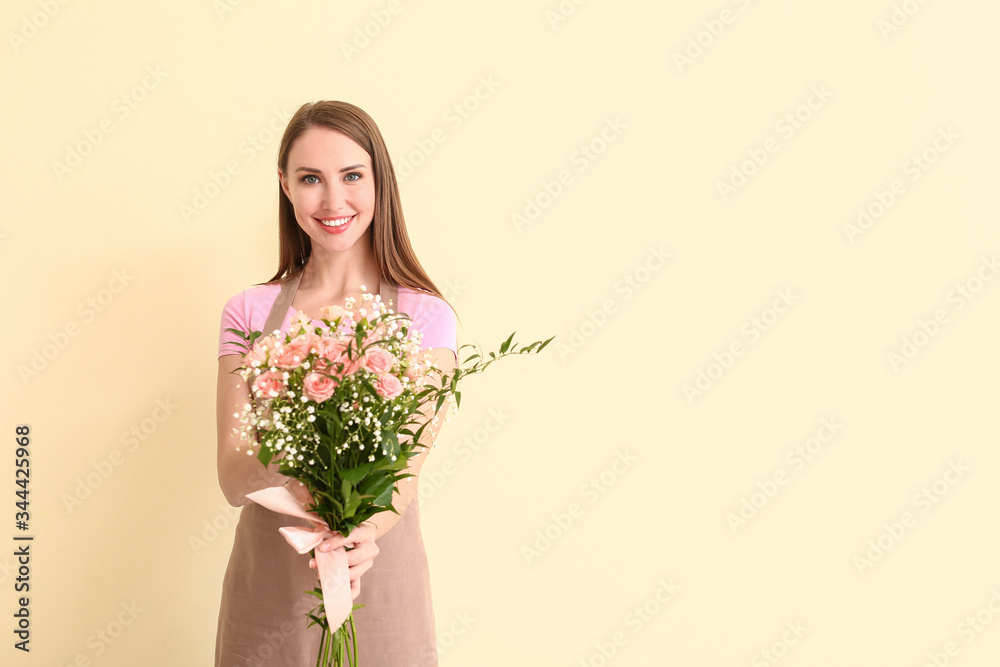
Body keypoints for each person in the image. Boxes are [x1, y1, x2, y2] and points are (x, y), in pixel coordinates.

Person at [214, 100, 458, 666]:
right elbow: (231, 476)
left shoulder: (426, 317)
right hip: (268, 581)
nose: (333, 201)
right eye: (310, 179)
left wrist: (358, 537)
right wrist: (296, 457)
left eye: (352, 176)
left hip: (378, 569)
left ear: (380, 180)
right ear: (285, 185)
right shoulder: (248, 312)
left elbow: (408, 471)